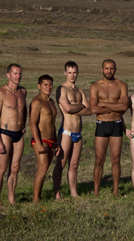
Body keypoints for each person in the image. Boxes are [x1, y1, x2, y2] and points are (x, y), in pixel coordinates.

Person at [90, 59, 130, 196]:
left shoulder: (122, 85)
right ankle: (96, 191)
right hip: (101, 125)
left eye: (112, 68)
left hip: (116, 125)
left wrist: (104, 105)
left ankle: (116, 191)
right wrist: (115, 105)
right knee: (99, 160)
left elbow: (124, 107)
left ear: (115, 69)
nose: (109, 71)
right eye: (106, 68)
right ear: (102, 69)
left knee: (116, 159)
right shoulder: (95, 86)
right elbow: (94, 108)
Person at [52, 61, 91, 199]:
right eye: (69, 72)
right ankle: (56, 193)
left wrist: (76, 107)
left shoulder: (80, 91)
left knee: (74, 165)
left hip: (78, 133)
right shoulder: (61, 89)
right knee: (61, 164)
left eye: (74, 72)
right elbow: (67, 108)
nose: (72, 75)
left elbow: (89, 110)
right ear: (65, 73)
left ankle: (74, 193)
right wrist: (80, 106)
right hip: (66, 132)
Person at [0, 63, 27, 207]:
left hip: (19, 134)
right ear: (8, 75)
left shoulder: (23, 92)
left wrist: (24, 124)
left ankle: (11, 198)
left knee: (15, 167)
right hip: (5, 133)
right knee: (2, 168)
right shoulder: (1, 93)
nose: (17, 76)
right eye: (15, 73)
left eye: (19, 74)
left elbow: (24, 109)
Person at [29, 74, 60, 202]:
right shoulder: (37, 102)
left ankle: (39, 196)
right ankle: (36, 199)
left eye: (50, 84)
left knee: (45, 169)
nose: (48, 87)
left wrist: (56, 141)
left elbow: (52, 123)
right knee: (42, 168)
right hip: (40, 139)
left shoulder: (51, 102)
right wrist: (39, 143)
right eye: (45, 85)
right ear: (39, 86)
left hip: (51, 139)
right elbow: (32, 123)